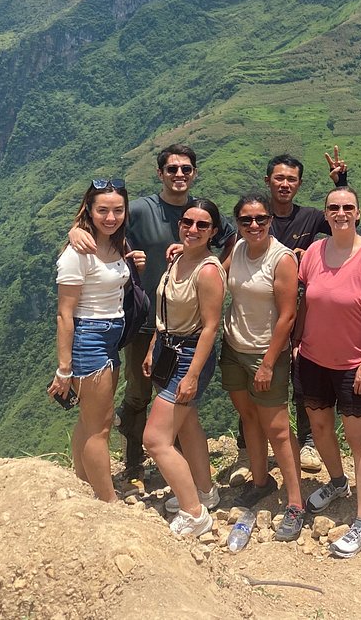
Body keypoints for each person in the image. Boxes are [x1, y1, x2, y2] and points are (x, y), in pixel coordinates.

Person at [69, 145, 235, 482]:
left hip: (185, 325)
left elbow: (236, 236)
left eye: (186, 169)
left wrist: (216, 272)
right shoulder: (142, 209)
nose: (179, 175)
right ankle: (134, 463)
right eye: (172, 169)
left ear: (194, 173)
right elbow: (105, 223)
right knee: (138, 393)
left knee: (176, 396)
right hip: (145, 320)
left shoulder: (200, 212)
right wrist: (76, 231)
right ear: (160, 173)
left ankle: (178, 466)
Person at [297, 186, 361, 558]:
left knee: (359, 439)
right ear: (326, 213)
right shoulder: (314, 253)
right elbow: (306, 301)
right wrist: (296, 343)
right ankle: (337, 482)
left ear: (358, 212)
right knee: (319, 427)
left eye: (348, 207)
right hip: (313, 358)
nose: (341, 213)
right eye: (333, 207)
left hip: (354, 364)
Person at [49, 178, 145, 502]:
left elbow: (113, 283)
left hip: (111, 337)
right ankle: (108, 501)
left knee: (90, 420)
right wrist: (64, 369)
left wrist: (132, 264)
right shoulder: (77, 253)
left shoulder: (117, 244)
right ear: (89, 210)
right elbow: (65, 315)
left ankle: (83, 482)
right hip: (89, 338)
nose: (111, 217)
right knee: (99, 428)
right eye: (102, 210)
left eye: (118, 210)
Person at [217, 192, 306, 541]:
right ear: (238, 223)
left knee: (278, 429)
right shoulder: (238, 249)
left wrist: (268, 363)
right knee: (249, 418)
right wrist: (185, 254)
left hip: (265, 353)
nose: (254, 225)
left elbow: (288, 316)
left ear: (270, 220)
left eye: (261, 219)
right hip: (234, 348)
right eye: (246, 220)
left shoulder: (281, 259)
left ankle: (295, 502)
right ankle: (260, 481)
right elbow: (215, 275)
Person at [143, 198, 224, 538]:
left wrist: (191, 376)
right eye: (188, 222)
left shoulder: (207, 271)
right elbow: (166, 308)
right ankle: (204, 492)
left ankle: (194, 513)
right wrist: (153, 346)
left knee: (155, 439)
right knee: (188, 425)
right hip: (168, 347)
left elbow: (210, 327)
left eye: (202, 225)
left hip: (189, 355)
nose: (193, 229)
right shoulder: (178, 257)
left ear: (213, 231)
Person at [266, 149, 348, 474]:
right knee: (258, 377)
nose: (285, 184)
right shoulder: (257, 217)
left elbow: (345, 224)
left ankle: (309, 442)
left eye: (291, 179)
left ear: (299, 184)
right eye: (279, 178)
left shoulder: (311, 217)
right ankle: (252, 446)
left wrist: (341, 183)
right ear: (268, 181)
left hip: (303, 311)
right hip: (262, 313)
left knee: (302, 376)